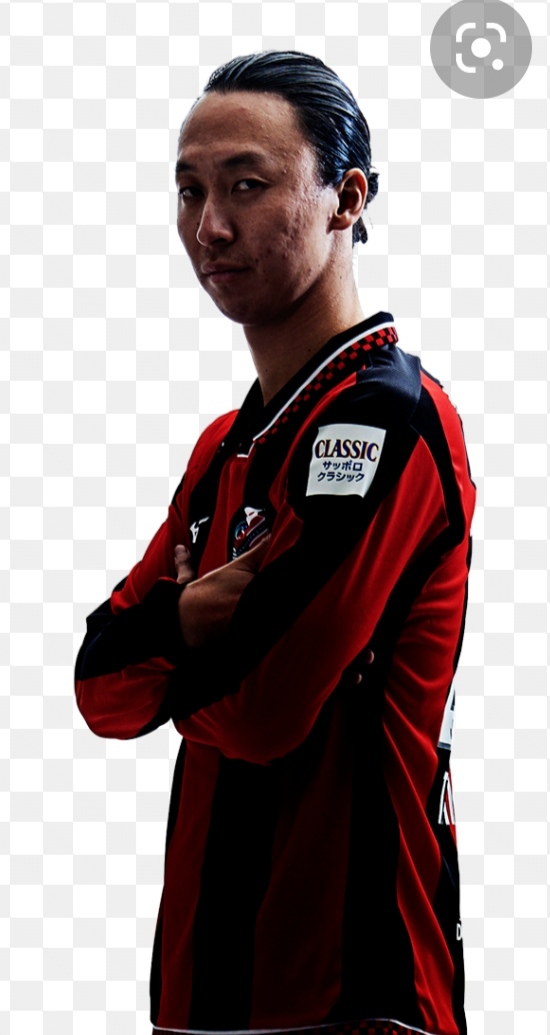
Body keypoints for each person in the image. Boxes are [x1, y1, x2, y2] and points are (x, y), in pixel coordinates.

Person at [74, 51, 475, 1035]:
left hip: (355, 997)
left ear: (348, 198)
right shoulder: (225, 445)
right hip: (199, 1000)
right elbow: (98, 689)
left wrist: (166, 651)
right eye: (190, 190)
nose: (210, 226)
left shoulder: (388, 420)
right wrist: (189, 620)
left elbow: (263, 712)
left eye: (247, 185)